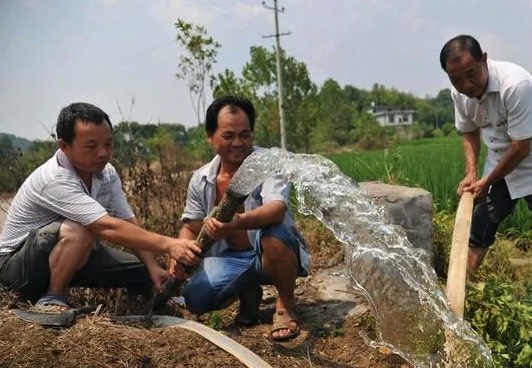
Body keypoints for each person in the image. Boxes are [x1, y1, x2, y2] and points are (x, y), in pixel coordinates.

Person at [0, 102, 201, 310]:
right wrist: (170, 244)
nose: (103, 153)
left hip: (72, 252)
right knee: (81, 227)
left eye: (108, 144)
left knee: (142, 272)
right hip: (17, 266)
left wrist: (151, 267)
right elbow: (105, 226)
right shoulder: (54, 178)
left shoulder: (107, 173)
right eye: (91, 146)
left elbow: (126, 221)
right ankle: (53, 298)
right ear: (64, 146)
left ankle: (146, 303)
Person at [440, 35, 532, 330]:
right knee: (481, 224)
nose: (466, 85)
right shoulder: (458, 92)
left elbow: (522, 148)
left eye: (471, 74)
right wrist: (473, 173)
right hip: (501, 160)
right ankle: (460, 301)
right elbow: (469, 131)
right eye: (456, 79)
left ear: (484, 59)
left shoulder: (516, 85)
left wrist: (488, 180)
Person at [170, 95, 309, 341]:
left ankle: (286, 305)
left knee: (274, 231)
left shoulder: (268, 162)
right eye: (228, 136)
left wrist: (236, 223)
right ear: (210, 137)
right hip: (230, 258)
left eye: (245, 135)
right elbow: (190, 226)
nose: (238, 143)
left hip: (269, 254)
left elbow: (276, 209)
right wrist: (179, 249)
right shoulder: (201, 179)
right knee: (195, 298)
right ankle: (248, 294)